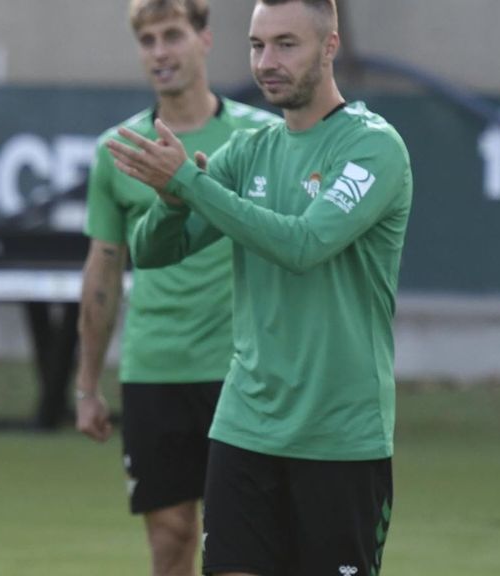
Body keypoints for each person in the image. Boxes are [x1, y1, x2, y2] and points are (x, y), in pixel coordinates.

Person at [106, 0, 412, 574]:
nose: (267, 61)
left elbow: (302, 246)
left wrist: (191, 183)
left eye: (286, 44)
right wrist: (175, 201)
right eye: (256, 45)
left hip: (338, 431)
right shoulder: (250, 150)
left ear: (329, 46)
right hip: (245, 423)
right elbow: (151, 251)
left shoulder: (374, 147)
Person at [74, 1, 276, 575]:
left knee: (239, 545)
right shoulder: (119, 149)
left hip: (242, 372)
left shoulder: (257, 137)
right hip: (154, 367)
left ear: (204, 40)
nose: (160, 52)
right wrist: (87, 384)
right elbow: (104, 268)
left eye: (172, 35)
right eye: (147, 41)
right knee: (170, 540)